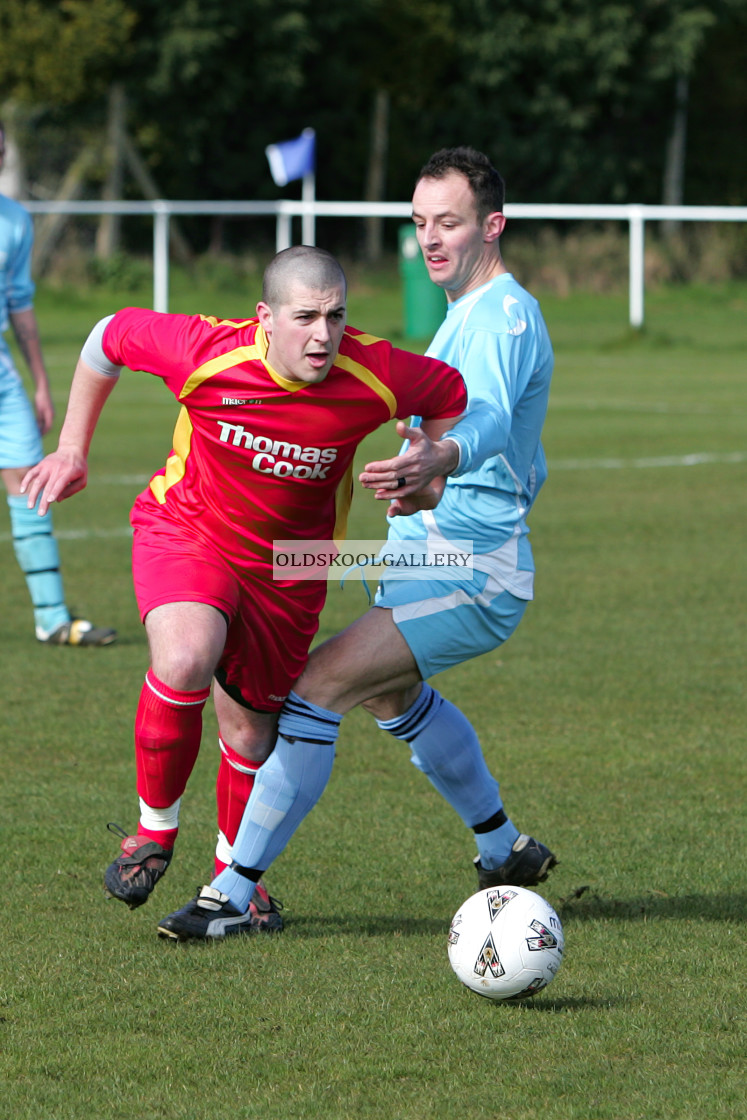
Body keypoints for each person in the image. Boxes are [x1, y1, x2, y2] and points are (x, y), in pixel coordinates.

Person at [155, 146, 558, 943]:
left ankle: (230, 893)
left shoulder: (502, 316)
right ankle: (501, 849)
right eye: (418, 223)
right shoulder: (460, 315)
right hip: (417, 552)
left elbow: (484, 417)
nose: (430, 239)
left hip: (471, 564)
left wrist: (443, 455)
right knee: (384, 688)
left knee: (315, 687)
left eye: (448, 222)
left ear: (492, 225)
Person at [21, 244, 468, 932]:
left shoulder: (371, 372)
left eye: (336, 317)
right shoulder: (207, 351)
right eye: (305, 318)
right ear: (264, 318)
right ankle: (152, 831)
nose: (323, 335)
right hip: (188, 531)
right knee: (184, 656)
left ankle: (233, 884)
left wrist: (427, 468)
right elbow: (106, 335)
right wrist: (74, 447)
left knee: (251, 734)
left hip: (291, 567)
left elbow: (447, 395)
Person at [0, 122, 116, 646]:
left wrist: (41, 385)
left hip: (3, 378)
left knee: (31, 489)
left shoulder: (15, 221)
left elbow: (20, 305)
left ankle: (51, 618)